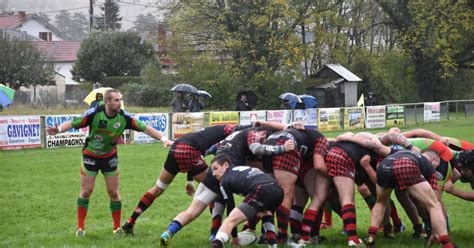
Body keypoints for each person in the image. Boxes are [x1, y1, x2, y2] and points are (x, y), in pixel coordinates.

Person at [44, 89, 173, 237]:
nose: (120, 103)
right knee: (86, 191)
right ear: (107, 102)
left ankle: (117, 228)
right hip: (90, 156)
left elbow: (145, 128)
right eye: (116, 100)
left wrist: (164, 139)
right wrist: (58, 129)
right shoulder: (93, 113)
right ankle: (80, 228)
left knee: (113, 193)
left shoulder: (124, 117)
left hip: (109, 157)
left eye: (120, 99)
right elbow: (73, 123)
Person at [121, 124, 249, 235]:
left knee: (158, 188)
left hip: (177, 147)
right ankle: (215, 232)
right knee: (214, 189)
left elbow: (196, 156)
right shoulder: (229, 131)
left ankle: (130, 221)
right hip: (188, 150)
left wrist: (190, 180)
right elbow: (193, 153)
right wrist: (257, 126)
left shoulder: (211, 134)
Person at [365, 150, 456, 248]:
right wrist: (435, 232)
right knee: (434, 205)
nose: (435, 169)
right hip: (406, 164)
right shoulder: (428, 165)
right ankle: (447, 244)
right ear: (433, 160)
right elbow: (434, 202)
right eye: (436, 166)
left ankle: (371, 235)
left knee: (381, 202)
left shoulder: (407, 152)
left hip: (385, 165)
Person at [210, 154, 284, 248]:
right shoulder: (241, 168)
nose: (213, 173)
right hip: (278, 190)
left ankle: (217, 244)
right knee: (266, 213)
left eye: (215, 168)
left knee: (229, 221)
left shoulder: (224, 182)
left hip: (261, 189)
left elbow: (230, 207)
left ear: (225, 165)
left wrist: (234, 236)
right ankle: (272, 244)